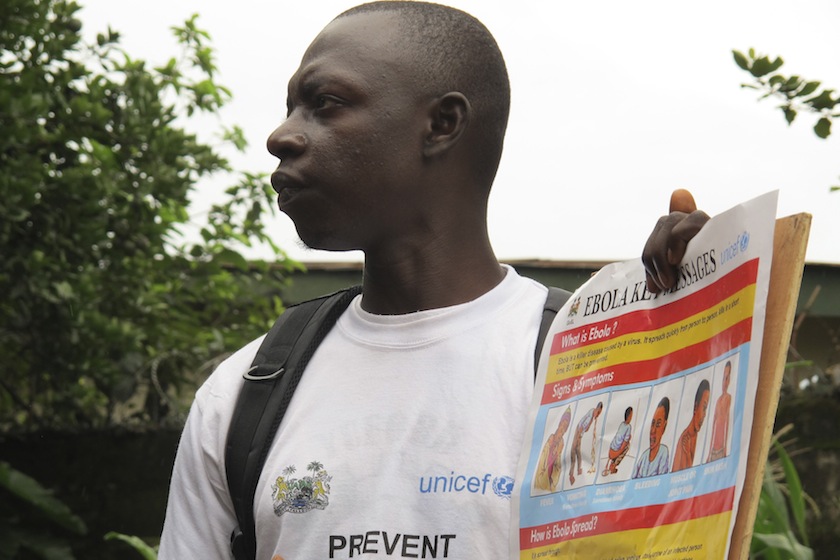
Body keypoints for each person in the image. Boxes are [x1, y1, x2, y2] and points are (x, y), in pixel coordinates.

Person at [158, 2, 709, 558]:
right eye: (291, 109)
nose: (281, 136)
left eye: (323, 104)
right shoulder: (245, 396)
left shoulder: (588, 370)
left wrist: (704, 324)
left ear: (442, 124)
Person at [672, 379, 711, 472]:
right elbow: (681, 476)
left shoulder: (695, 435)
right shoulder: (684, 439)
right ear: (695, 406)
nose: (704, 415)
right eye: (704, 407)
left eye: (706, 409)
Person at [535, 407, 572, 492]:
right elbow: (540, 478)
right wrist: (556, 453)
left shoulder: (561, 444)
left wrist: (558, 453)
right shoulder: (549, 442)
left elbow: (556, 474)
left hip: (549, 488)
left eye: (566, 426)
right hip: (540, 484)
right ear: (559, 424)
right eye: (562, 424)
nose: (563, 428)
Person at [633, 397, 671, 478]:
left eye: (658, 425)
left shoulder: (663, 453)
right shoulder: (644, 457)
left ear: (664, 427)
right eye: (652, 424)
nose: (653, 431)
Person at [568, 402, 603, 485]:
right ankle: (572, 474)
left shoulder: (592, 415)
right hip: (579, 432)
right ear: (596, 409)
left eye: (599, 413)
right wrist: (578, 437)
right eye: (598, 412)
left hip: (580, 433)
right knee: (574, 450)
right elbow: (582, 427)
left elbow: (586, 429)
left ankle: (577, 471)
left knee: (577, 451)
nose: (598, 415)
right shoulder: (591, 414)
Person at [707, 361, 733, 462]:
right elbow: (713, 426)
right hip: (714, 450)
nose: (725, 383)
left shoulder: (728, 398)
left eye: (727, 378)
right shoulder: (718, 400)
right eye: (723, 379)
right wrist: (709, 452)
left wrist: (725, 449)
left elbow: (727, 423)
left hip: (721, 449)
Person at [603, 406, 633, 477]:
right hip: (615, 451)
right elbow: (624, 443)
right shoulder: (628, 427)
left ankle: (612, 463)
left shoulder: (622, 424)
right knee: (627, 446)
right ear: (629, 416)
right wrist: (619, 452)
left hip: (612, 447)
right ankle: (614, 465)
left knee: (623, 445)